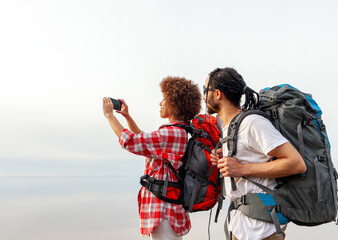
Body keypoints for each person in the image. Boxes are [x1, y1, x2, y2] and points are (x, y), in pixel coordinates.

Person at [204, 68, 306, 240]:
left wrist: (241, 169)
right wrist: (225, 161)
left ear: (218, 94)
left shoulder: (252, 123)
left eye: (205, 90)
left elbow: (296, 163)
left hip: (262, 229)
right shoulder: (229, 128)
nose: (203, 96)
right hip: (241, 225)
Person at [102, 76, 201, 240]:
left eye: (164, 99)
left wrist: (109, 116)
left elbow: (130, 142)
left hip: (164, 212)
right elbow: (144, 139)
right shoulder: (180, 131)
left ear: (174, 103)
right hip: (168, 210)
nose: (160, 103)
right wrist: (127, 116)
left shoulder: (171, 133)